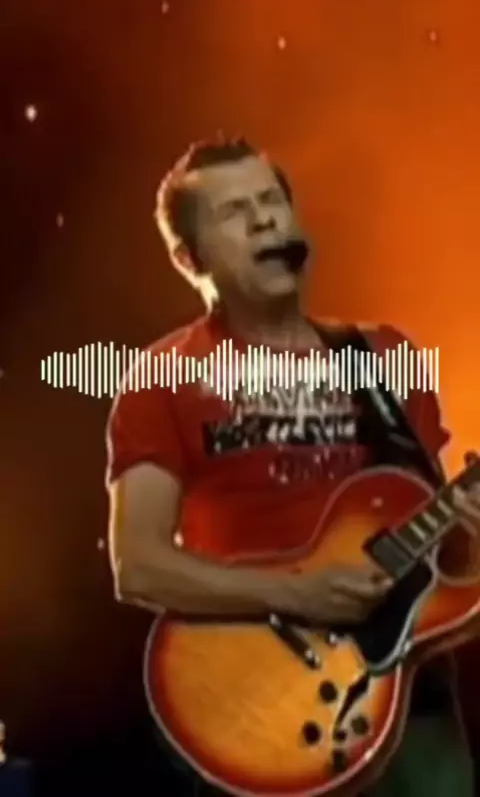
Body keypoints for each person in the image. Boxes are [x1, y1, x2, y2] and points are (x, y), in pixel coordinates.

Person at [106, 136, 475, 796]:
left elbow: (442, 546)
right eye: (234, 212)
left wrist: (471, 528)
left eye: (272, 200)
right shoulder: (163, 379)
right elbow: (138, 564)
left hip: (409, 708)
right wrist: (296, 593)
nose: (264, 220)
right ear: (189, 259)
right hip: (256, 707)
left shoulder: (383, 357)